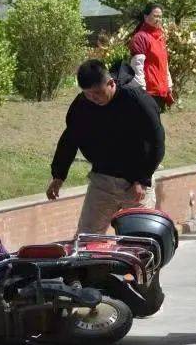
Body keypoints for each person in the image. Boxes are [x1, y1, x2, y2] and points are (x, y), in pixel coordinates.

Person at [47, 59, 165, 234]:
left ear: (110, 83)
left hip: (135, 183)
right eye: (88, 94)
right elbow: (70, 139)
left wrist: (142, 179)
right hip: (101, 181)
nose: (93, 99)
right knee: (86, 238)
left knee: (139, 242)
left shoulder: (137, 100)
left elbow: (157, 142)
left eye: (97, 93)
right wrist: (58, 175)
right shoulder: (82, 105)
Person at [129, 3, 174, 110]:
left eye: (160, 16)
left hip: (160, 91)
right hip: (149, 92)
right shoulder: (140, 37)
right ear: (146, 17)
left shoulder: (160, 38)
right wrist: (141, 92)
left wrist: (168, 85)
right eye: (155, 16)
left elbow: (164, 63)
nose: (158, 19)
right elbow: (137, 67)